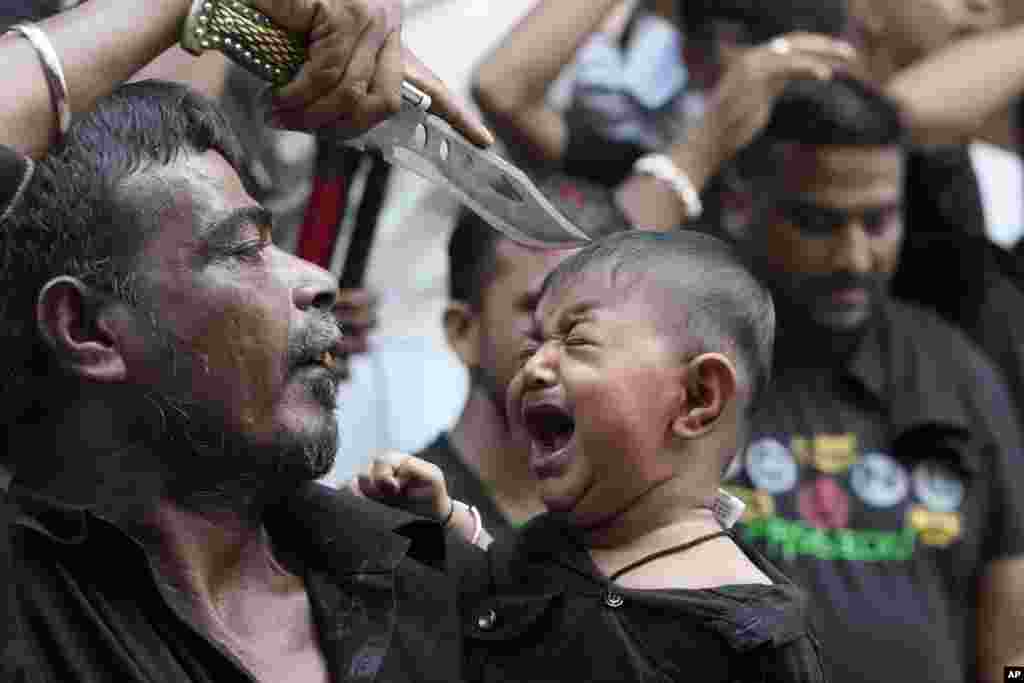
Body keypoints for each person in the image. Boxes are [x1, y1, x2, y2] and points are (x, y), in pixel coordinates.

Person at [0, 0, 493, 680]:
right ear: (87, 330)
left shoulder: (411, 567)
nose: (319, 279)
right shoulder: (25, 618)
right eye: (244, 250)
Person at [359, 230, 826, 682]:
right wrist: (442, 524)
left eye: (577, 341)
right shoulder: (548, 549)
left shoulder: (757, 639)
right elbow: (497, 590)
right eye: (534, 343)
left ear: (697, 398)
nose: (535, 365)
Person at [716, 74, 1024, 683]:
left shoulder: (958, 374)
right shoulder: (695, 365)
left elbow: (1013, 644)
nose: (855, 257)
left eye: (878, 222)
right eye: (818, 223)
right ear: (743, 205)